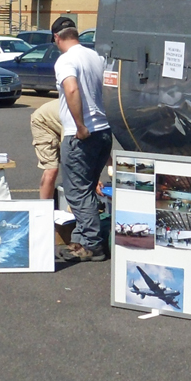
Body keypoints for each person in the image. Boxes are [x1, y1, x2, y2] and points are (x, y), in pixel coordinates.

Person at [52, 18, 112, 261]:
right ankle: (82, 238)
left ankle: (92, 243)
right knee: (87, 187)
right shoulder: (96, 57)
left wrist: (80, 126)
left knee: (76, 191)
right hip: (104, 130)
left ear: (56, 37)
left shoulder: (65, 60)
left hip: (83, 133)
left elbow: (72, 89)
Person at [30, 98, 72, 248]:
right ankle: (44, 214)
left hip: (60, 123)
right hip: (43, 123)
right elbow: (70, 158)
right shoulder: (73, 121)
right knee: (52, 169)